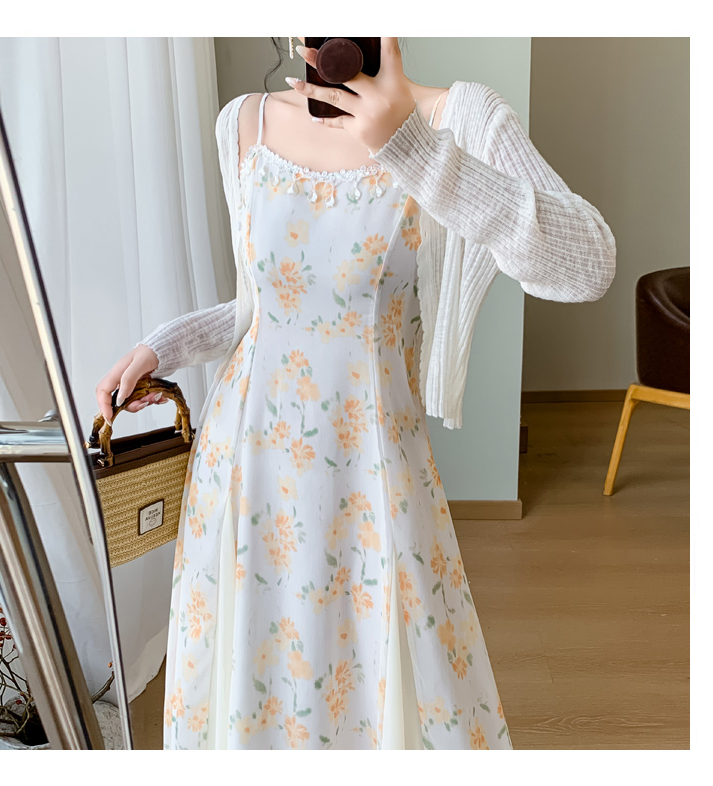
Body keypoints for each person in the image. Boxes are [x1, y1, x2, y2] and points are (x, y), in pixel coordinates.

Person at [96, 38, 615, 750]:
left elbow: (589, 263)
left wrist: (416, 152)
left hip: (370, 470)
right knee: (257, 681)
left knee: (379, 678)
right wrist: (165, 346)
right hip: (246, 465)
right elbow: (267, 305)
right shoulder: (245, 122)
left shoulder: (458, 118)